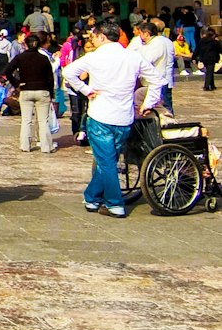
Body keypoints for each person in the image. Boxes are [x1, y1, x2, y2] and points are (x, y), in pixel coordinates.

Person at [62, 17, 163, 218]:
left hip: (100, 115)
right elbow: (157, 79)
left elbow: (68, 72)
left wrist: (86, 90)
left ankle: (115, 204)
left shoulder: (95, 57)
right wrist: (147, 103)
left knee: (106, 162)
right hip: (124, 118)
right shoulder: (132, 56)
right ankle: (91, 197)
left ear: (101, 36)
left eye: (94, 36)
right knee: (107, 160)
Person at [6, 34, 56, 154]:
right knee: (43, 121)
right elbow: (50, 78)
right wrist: (51, 93)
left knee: (26, 120)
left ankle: (25, 146)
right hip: (42, 90)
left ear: (25, 44)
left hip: (26, 89)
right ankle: (46, 147)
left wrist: (16, 83)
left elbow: (7, 71)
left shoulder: (20, 58)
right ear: (39, 44)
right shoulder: (44, 58)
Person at [196, 27, 220, 92]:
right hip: (212, 59)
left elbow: (197, 49)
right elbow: (219, 50)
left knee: (210, 71)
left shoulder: (202, 40)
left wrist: (194, 57)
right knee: (209, 72)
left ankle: (212, 85)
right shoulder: (215, 42)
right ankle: (206, 86)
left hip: (204, 58)